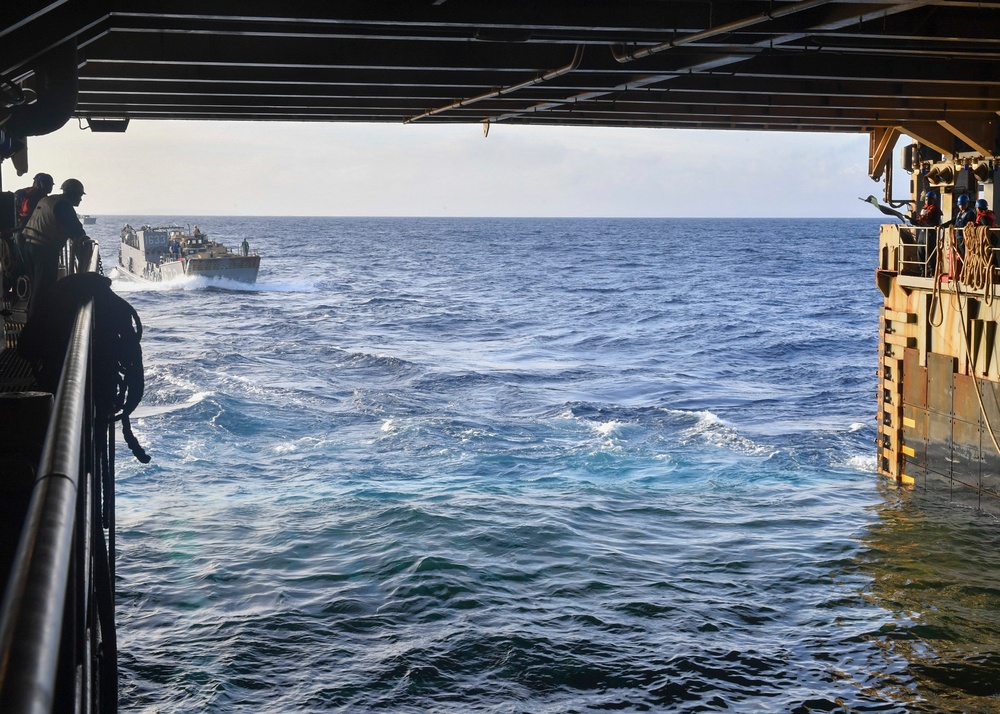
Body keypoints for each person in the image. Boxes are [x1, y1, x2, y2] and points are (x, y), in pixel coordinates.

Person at [20, 178, 90, 317]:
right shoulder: (63, 205)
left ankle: (33, 318)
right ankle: (36, 325)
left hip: (28, 245)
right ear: (72, 194)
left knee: (36, 287)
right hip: (43, 250)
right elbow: (75, 228)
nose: (81, 199)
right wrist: (84, 239)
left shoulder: (48, 200)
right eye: (80, 195)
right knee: (43, 289)